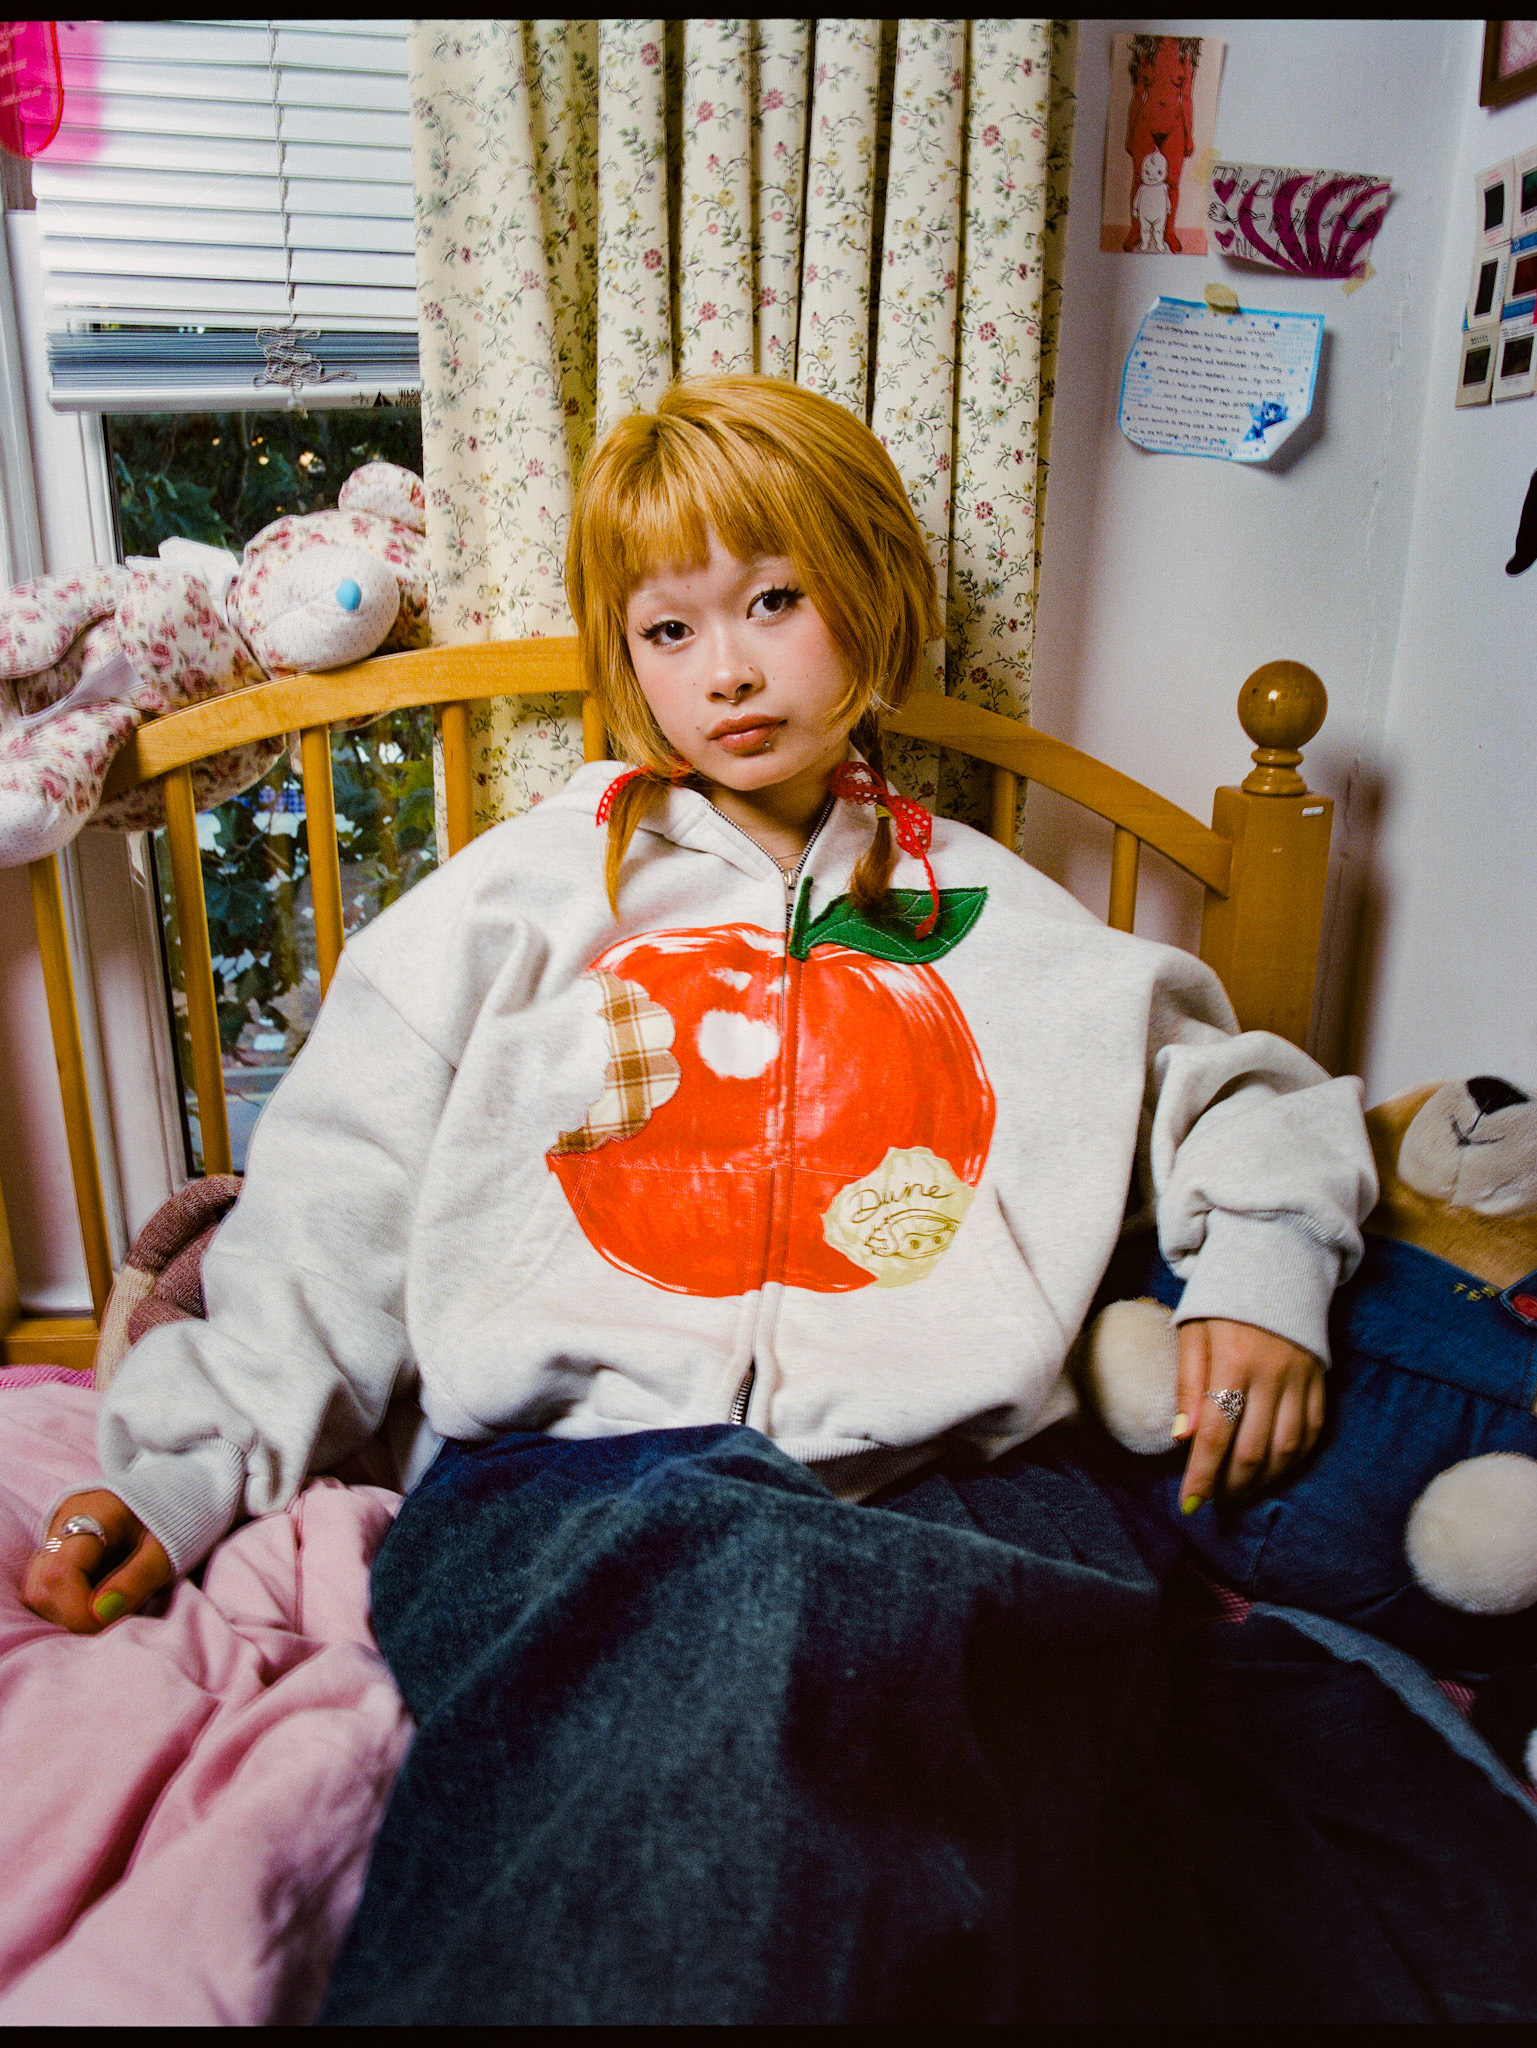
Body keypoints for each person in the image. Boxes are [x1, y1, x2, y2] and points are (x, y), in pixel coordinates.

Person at [22, 377, 1377, 2023]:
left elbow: (1246, 1093)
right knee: (733, 1618)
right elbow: (327, 1216)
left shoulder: (1000, 918)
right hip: (566, 1485)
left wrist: (1261, 1273)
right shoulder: (509, 908)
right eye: (667, 631)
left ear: (870, 598)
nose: (724, 670)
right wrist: (177, 1473)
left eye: (774, 603)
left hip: (954, 1490)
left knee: (1013, 1768)